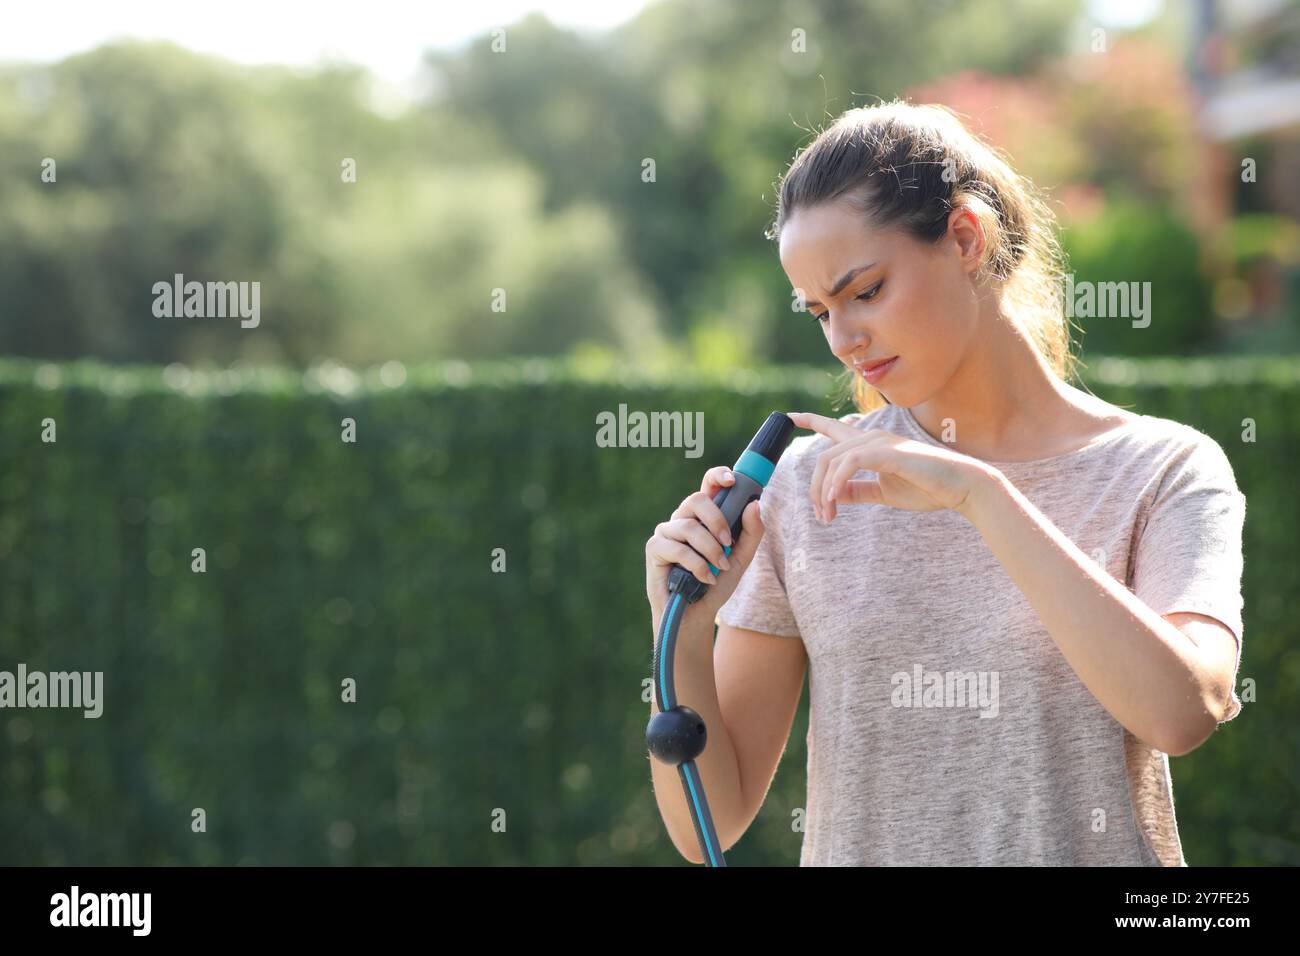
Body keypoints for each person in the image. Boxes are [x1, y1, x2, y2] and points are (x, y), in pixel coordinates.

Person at [644, 100, 1246, 866]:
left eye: (864, 292)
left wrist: (982, 497)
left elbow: (1182, 712)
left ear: (966, 237)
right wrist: (683, 636)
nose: (843, 338)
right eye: (819, 311)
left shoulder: (1164, 469)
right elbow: (708, 829)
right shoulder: (804, 490)